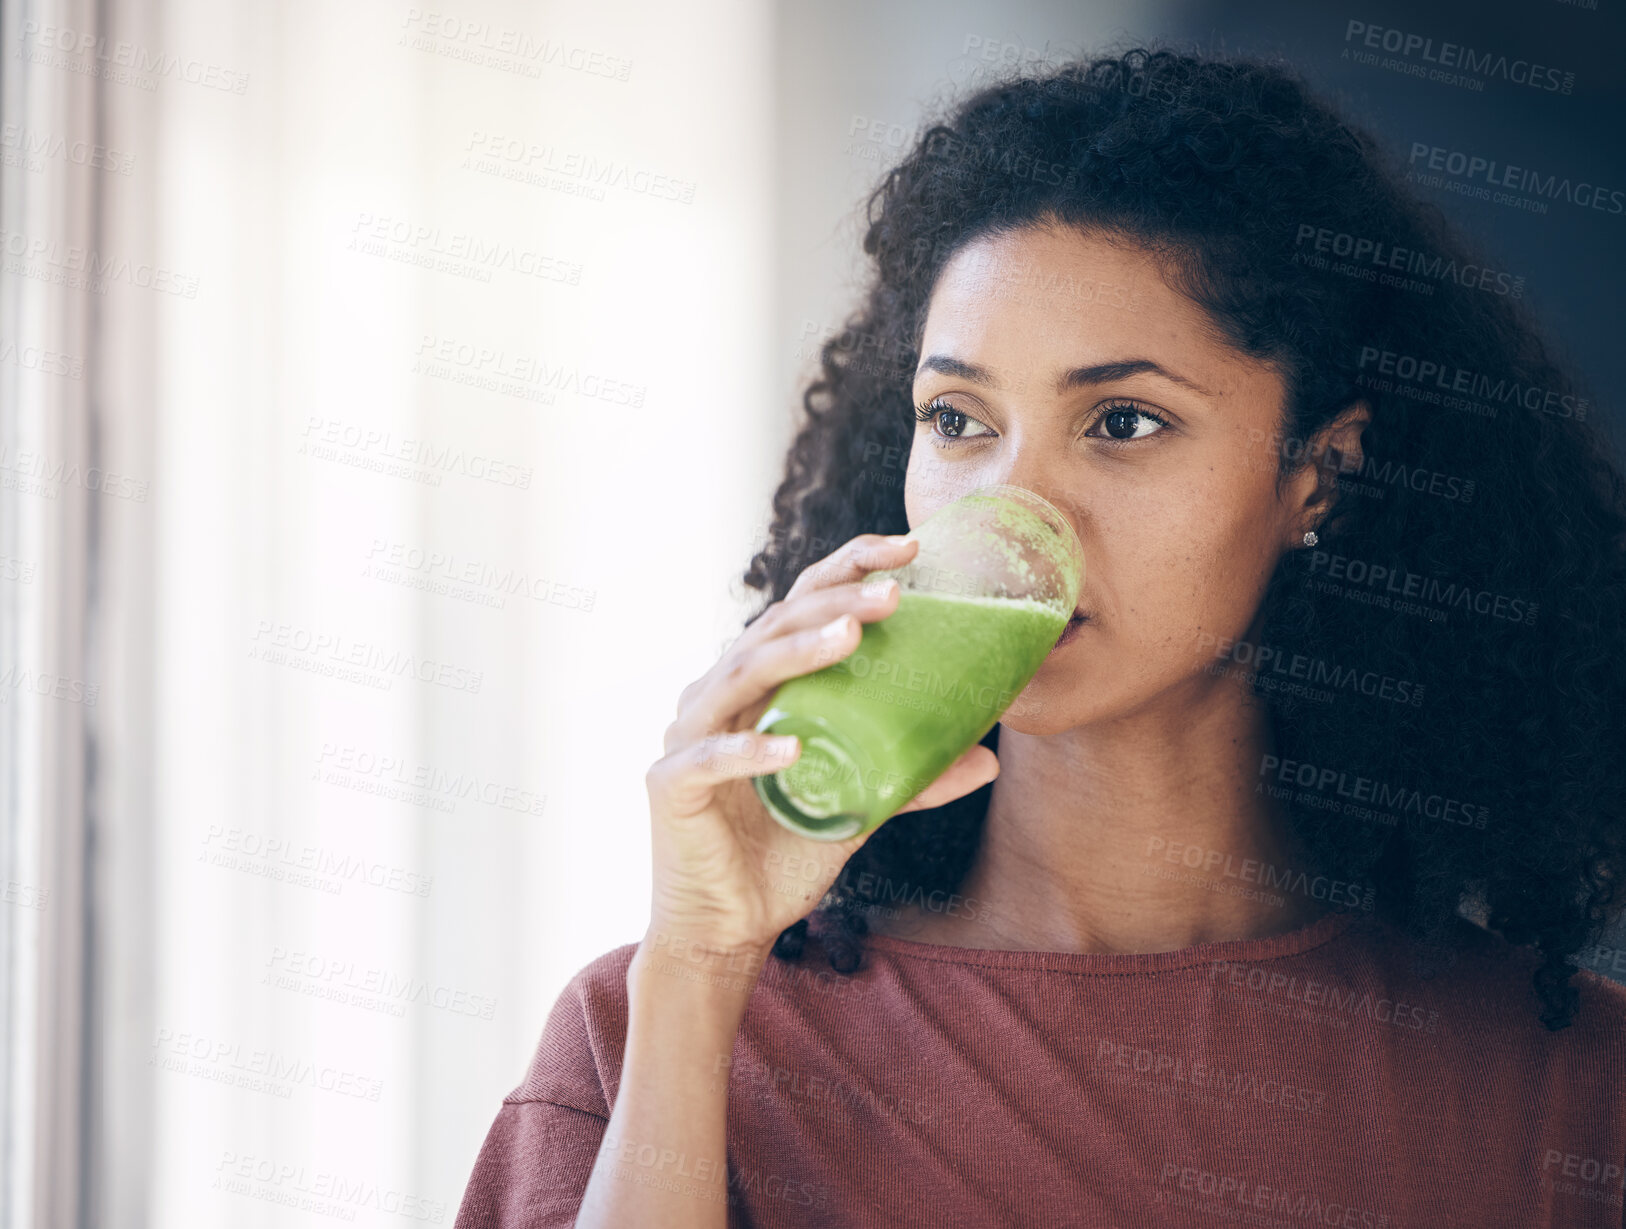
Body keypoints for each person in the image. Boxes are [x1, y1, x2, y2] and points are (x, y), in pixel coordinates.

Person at [455, 46, 1626, 1228]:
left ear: (1320, 475)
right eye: (958, 421)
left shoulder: (1568, 1096)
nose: (1015, 508)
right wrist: (700, 968)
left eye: (1122, 421)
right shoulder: (651, 1035)